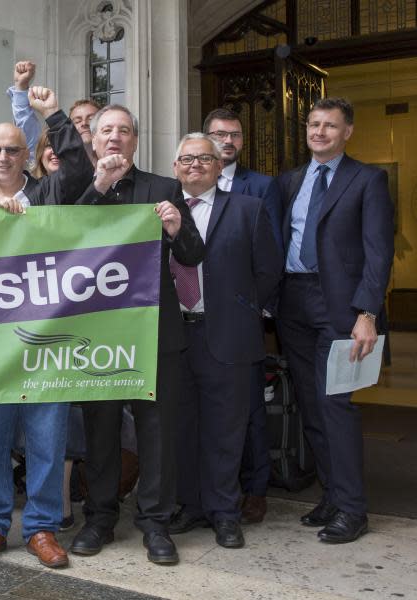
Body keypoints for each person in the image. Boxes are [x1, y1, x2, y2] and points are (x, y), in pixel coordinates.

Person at [0, 86, 89, 571]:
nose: (3, 157)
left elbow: (78, 168)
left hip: (45, 343)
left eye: (13, 149)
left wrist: (51, 114)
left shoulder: (50, 190)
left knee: (46, 440)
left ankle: (41, 529)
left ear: (27, 154)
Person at [71, 104, 205, 566]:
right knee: (101, 428)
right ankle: (100, 518)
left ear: (135, 140)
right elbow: (67, 242)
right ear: (92, 139)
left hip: (155, 331)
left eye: (123, 131)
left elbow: (192, 254)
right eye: (105, 130)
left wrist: (175, 226)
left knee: (156, 432)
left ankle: (155, 523)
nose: (114, 138)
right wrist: (101, 186)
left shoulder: (163, 187)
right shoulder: (79, 188)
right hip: (98, 333)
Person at [277, 97, 393, 544]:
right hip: (294, 303)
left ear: (347, 132)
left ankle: (352, 508)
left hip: (342, 309)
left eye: (330, 125)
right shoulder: (289, 182)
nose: (319, 132)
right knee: (309, 403)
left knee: (336, 406)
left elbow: (378, 252)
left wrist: (367, 313)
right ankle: (331, 494)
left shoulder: (367, 179)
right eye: (313, 124)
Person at [165, 133, 282, 550]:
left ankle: (224, 513)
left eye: (204, 158)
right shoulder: (158, 212)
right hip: (174, 337)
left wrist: (242, 309)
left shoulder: (249, 209)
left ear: (218, 166)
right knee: (182, 429)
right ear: (175, 166)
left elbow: (268, 271)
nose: (195, 165)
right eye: (186, 159)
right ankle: (191, 506)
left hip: (228, 336)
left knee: (226, 431)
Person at [201, 107, 283, 525]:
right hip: (198, 324)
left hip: (242, 321)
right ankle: (208, 493)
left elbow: (271, 257)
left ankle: (255, 489)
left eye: (234, 134)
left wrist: (253, 308)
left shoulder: (263, 187)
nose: (226, 141)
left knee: (249, 411)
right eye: (218, 135)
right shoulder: (183, 187)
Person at [9, 59, 99, 167]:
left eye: (91, 119)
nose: (84, 123)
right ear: (68, 128)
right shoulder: (56, 162)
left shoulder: (117, 161)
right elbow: (29, 130)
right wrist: (21, 86)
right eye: (77, 121)